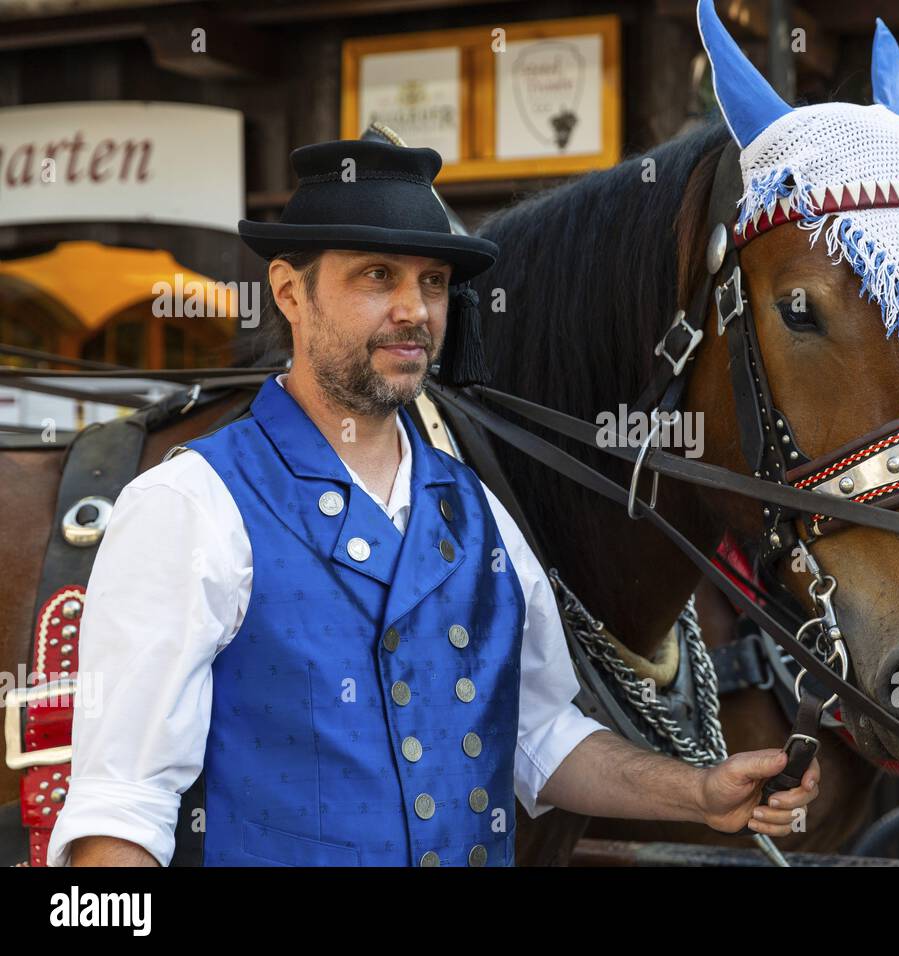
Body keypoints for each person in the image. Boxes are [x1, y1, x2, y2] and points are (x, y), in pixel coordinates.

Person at [47, 138, 818, 867]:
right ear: (289, 291)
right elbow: (121, 808)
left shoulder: (481, 513)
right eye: (377, 275)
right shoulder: (188, 505)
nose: (415, 310)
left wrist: (697, 793)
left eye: (434, 282)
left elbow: (540, 737)